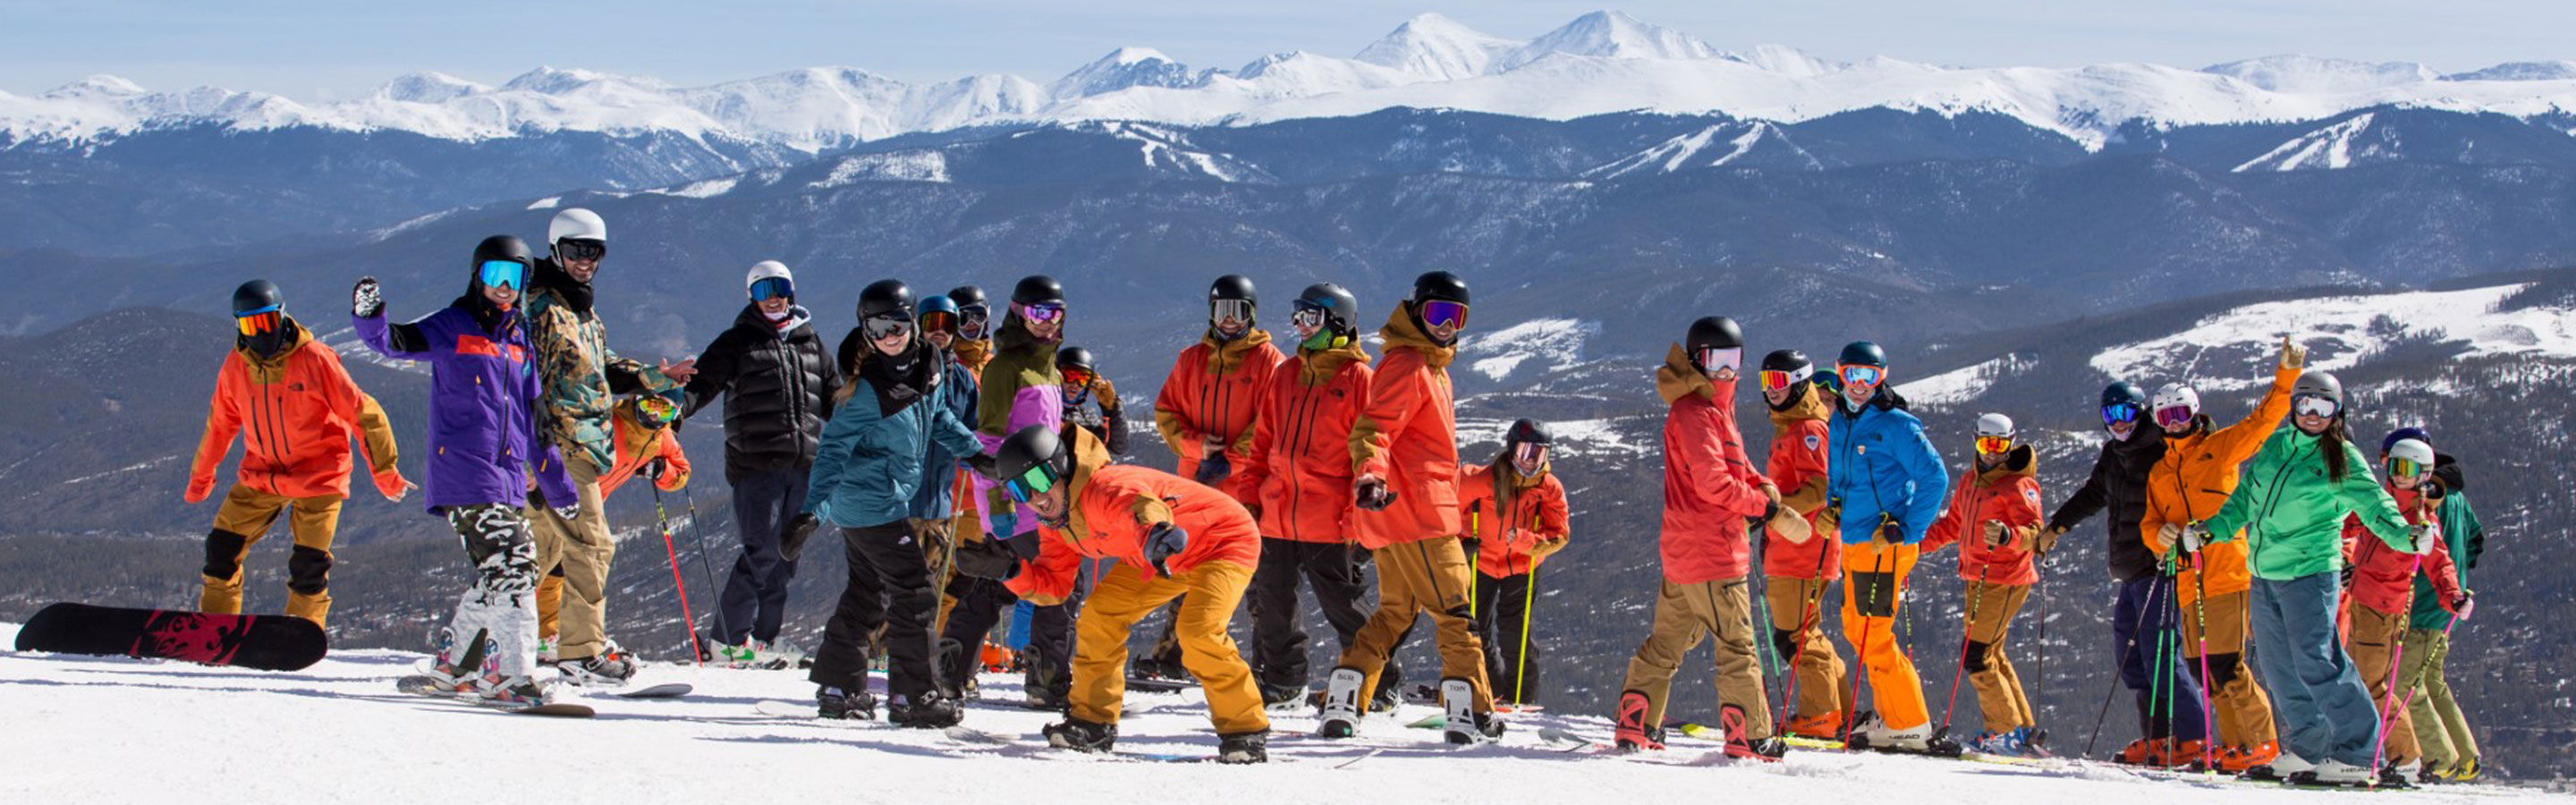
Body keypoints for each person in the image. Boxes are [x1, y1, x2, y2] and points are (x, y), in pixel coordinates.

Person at [953, 424, 1268, 763]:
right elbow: (1054, 588)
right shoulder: (1057, 523)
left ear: (1060, 466)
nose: (1035, 498)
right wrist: (1009, 571)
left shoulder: (1104, 488)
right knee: (1099, 616)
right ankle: (1092, 721)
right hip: (1154, 552)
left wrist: (1155, 533)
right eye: (1019, 490)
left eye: (1040, 480)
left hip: (1221, 539)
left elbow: (1140, 506)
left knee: (1197, 630)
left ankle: (1244, 731)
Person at [352, 235, 578, 704]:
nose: (503, 286)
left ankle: (454, 668)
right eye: (494, 275)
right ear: (478, 277)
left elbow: (535, 423)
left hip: (509, 477)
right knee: (517, 563)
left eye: (513, 277)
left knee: (497, 573)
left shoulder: (520, 340)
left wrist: (559, 488)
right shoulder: (453, 325)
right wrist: (370, 317)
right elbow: (395, 342)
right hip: (463, 474)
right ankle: (511, 675)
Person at [2182, 370, 2423, 786]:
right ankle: (2311, 745)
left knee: (2318, 659)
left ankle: (2360, 750)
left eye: (2323, 407)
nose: (2313, 415)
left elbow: (2375, 505)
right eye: (2305, 405)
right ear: (2294, 407)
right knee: (2277, 667)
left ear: (2338, 412)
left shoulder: (2340, 458)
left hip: (2311, 573)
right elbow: (2244, 499)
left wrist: (2406, 536)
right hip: (2264, 573)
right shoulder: (2276, 446)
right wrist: (2212, 529)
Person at [801, 280, 995, 726]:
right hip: (870, 501)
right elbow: (831, 451)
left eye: (897, 324)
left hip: (883, 497)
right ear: (866, 331)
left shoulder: (927, 364)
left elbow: (939, 415)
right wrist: (812, 511)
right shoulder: (866, 392)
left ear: (913, 321)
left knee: (868, 591)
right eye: (877, 327)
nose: (890, 335)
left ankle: (839, 687)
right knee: (916, 592)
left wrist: (975, 453)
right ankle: (914, 697)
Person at [1317, 270, 1496, 743]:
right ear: (1416, 311)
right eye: (1437, 313)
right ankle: (1469, 712)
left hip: (1402, 515)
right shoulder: (1411, 366)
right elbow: (1374, 429)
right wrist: (1370, 473)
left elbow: (1425, 451)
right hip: (1419, 516)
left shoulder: (1431, 369)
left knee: (1395, 613)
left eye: (1455, 317)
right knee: (1456, 613)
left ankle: (1344, 698)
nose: (1445, 326)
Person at [519, 208, 694, 685]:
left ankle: (478, 645)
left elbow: (602, 366)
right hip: (559, 446)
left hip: (583, 447)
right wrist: (531, 455)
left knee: (537, 553)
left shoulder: (580, 309)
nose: (586, 260)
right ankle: (580, 652)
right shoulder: (540, 306)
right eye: (576, 251)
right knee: (593, 546)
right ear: (556, 249)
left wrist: (658, 377)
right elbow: (520, 379)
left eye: (594, 252)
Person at [185, 279, 410, 628]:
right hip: (262, 475)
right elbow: (220, 425)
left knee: (309, 566)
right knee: (221, 552)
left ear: (282, 317)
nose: (261, 332)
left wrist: (384, 471)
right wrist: (202, 476)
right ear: (238, 326)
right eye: (250, 324)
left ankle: (300, 634)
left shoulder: (314, 359)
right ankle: (216, 630)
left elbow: (364, 412)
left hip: (320, 476)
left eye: (267, 321)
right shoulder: (236, 366)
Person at [1615, 317, 1783, 758]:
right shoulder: (1695, 413)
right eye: (1716, 362)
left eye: (1733, 362)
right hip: (1713, 553)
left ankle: (1637, 722)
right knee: (1736, 645)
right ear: (1696, 361)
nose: (1726, 373)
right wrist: (1758, 506)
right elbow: (1713, 483)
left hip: (1684, 554)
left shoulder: (1711, 409)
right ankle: (1748, 734)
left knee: (1666, 643)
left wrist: (1759, 483)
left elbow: (1735, 466)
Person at [2137, 336, 2303, 772]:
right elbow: (2149, 525)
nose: (2174, 424)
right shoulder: (2160, 471)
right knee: (2202, 670)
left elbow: (2265, 421)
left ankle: (2261, 742)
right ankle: (2234, 746)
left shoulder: (2222, 447)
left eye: (2181, 415)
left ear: (2195, 414)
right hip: (2188, 580)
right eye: (2165, 417)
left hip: (2228, 573)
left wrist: (2286, 376)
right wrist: (2163, 537)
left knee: (2228, 664)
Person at [1234, 283, 1394, 708]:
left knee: (1344, 606)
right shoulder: (1285, 374)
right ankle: (1285, 682)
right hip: (1276, 513)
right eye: (1297, 316)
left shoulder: (1360, 380)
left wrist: (1356, 515)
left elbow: (1372, 446)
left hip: (1328, 519)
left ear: (1337, 324)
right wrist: (1250, 498)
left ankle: (1379, 680)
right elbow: (1262, 445)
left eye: (1311, 318)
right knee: (1273, 605)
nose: (1300, 326)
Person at [2044, 381, 2208, 767]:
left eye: (2126, 414)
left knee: (2161, 656)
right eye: (2109, 416)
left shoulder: (2159, 450)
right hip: (2130, 571)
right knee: (2132, 658)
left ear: (2142, 413)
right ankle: (2159, 738)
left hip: (2160, 567)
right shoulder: (2114, 454)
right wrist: (2057, 526)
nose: (2118, 424)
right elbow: (2092, 494)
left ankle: (2194, 738)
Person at [682, 260, 837, 667]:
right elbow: (702, 383)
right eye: (763, 289)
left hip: (804, 465)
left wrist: (869, 432)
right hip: (757, 466)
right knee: (761, 551)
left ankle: (763, 640)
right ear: (751, 296)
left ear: (792, 292)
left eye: (780, 287)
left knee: (786, 557)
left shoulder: (810, 343)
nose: (773, 296)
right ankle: (727, 641)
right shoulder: (738, 341)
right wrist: (674, 411)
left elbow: (837, 398)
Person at [937, 275, 1076, 709]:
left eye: (1054, 313)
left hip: (1040, 493)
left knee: (994, 583)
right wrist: (999, 506)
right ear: (1018, 313)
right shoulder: (1005, 368)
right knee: (1059, 583)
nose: (1046, 322)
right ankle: (1047, 680)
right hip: (1019, 500)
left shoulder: (1048, 366)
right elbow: (989, 443)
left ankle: (950, 670)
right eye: (1037, 313)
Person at [1821, 341, 1949, 752]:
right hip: (1856, 541)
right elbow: (1842, 477)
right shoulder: (1840, 421)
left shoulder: (1896, 425)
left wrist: (1907, 529)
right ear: (1839, 373)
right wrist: (1833, 508)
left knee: (1873, 634)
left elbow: (1935, 479)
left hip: (1884, 544)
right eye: (1852, 375)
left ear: (1883, 377)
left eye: (1869, 376)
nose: (1859, 385)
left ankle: (1907, 723)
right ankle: (1891, 715)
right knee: (1857, 629)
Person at [2338, 436, 2468, 785]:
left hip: (2384, 609)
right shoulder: (2379, 502)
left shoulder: (2421, 519)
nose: (2399, 476)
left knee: (2372, 684)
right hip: (2361, 601)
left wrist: (2453, 596)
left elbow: (2440, 563)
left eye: (2408, 470)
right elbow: (2348, 522)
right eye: (2394, 467)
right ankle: (2367, 752)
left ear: (2424, 475)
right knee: (2356, 681)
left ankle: (2406, 756)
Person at [1918, 413, 2046, 757]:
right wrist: (1915, 546)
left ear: (2011, 443)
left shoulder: (2019, 485)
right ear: (1975, 440)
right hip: (1977, 577)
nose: (1991, 452)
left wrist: (2009, 536)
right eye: (1985, 443)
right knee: (1990, 652)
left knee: (1976, 655)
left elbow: (2036, 534)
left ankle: (2002, 730)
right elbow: (1953, 525)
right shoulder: (1970, 482)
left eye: (1999, 444)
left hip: (2005, 578)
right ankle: (2020, 728)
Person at [538, 393, 691, 658]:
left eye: (664, 413)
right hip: (561, 492)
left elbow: (682, 471)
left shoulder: (661, 438)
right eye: (650, 406)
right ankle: (520, 630)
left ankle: (549, 635)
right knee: (544, 559)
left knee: (564, 565)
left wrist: (660, 471)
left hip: (594, 501)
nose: (655, 416)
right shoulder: (611, 420)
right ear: (637, 401)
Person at [1756, 348, 1847, 740]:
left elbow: (1820, 488)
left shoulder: (1809, 429)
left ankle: (1819, 715)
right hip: (1792, 546)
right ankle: (1835, 709)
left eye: (1778, 382)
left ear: (1797, 383)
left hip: (1802, 548)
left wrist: (1772, 510)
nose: (1771, 390)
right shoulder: (1792, 426)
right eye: (1765, 382)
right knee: (1804, 632)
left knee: (1795, 636)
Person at [2393, 430, 2486, 783]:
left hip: (2424, 604)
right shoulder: (2458, 498)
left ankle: (2439, 757)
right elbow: (2476, 539)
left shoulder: (2432, 499)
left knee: (2405, 683)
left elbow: (2422, 547)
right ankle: (2466, 757)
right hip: (2449, 606)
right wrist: (2460, 573)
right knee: (2433, 681)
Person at [1460, 419, 1570, 706]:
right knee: (1475, 629)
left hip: (1523, 566)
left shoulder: (1548, 487)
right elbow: (1449, 503)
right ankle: (1490, 692)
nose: (1531, 461)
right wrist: (1461, 539)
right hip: (1482, 561)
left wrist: (1524, 541)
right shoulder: (1483, 480)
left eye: (1539, 454)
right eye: (1525, 452)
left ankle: (1521, 698)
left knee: (1516, 634)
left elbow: (1559, 534)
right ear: (1511, 449)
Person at [1154, 275, 1284, 500]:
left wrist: (1229, 462)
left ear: (1251, 314)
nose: (1229, 319)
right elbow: (1167, 412)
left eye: (1238, 310)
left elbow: (1271, 423)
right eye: (1221, 311)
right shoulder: (1191, 359)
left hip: (1246, 485)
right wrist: (1196, 446)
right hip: (1195, 480)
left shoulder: (1269, 362)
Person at [909, 293, 979, 642]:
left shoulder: (963, 380)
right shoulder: (906, 370)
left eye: (947, 325)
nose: (939, 332)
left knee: (931, 586)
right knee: (894, 582)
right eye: (931, 324)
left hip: (940, 503)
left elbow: (970, 428)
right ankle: (878, 653)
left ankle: (916, 656)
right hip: (901, 501)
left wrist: (974, 457)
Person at [1057, 346, 1130, 455]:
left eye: (1083, 379)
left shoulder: (1084, 416)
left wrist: (1112, 409)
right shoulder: (1046, 409)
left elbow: (1118, 446)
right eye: (1070, 376)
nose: (1075, 384)